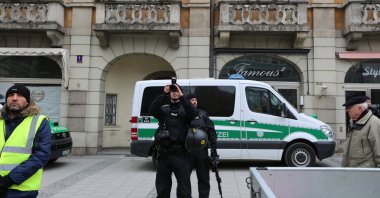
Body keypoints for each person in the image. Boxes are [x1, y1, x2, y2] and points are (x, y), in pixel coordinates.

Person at [0, 85, 52, 197]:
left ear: (28, 101)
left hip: (21, 190)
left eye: (20, 95)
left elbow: (41, 156)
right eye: (11, 95)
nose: (14, 98)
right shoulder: (0, 121)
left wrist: (8, 180)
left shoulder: (39, 121)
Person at [149, 83, 197, 198]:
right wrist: (163, 94)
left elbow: (193, 113)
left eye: (177, 90)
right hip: (164, 155)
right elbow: (152, 110)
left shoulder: (185, 109)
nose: (174, 92)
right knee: (162, 188)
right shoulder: (164, 110)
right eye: (172, 91)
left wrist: (182, 96)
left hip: (180, 155)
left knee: (184, 190)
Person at [186, 94, 218, 198]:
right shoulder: (183, 114)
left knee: (204, 179)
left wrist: (214, 151)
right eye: (192, 100)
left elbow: (212, 133)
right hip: (186, 152)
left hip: (201, 152)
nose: (194, 101)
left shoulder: (203, 115)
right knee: (184, 179)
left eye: (195, 100)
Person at [342, 95, 380, 167]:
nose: (347, 110)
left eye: (349, 107)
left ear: (359, 108)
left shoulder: (374, 123)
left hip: (366, 174)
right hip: (353, 172)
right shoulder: (353, 122)